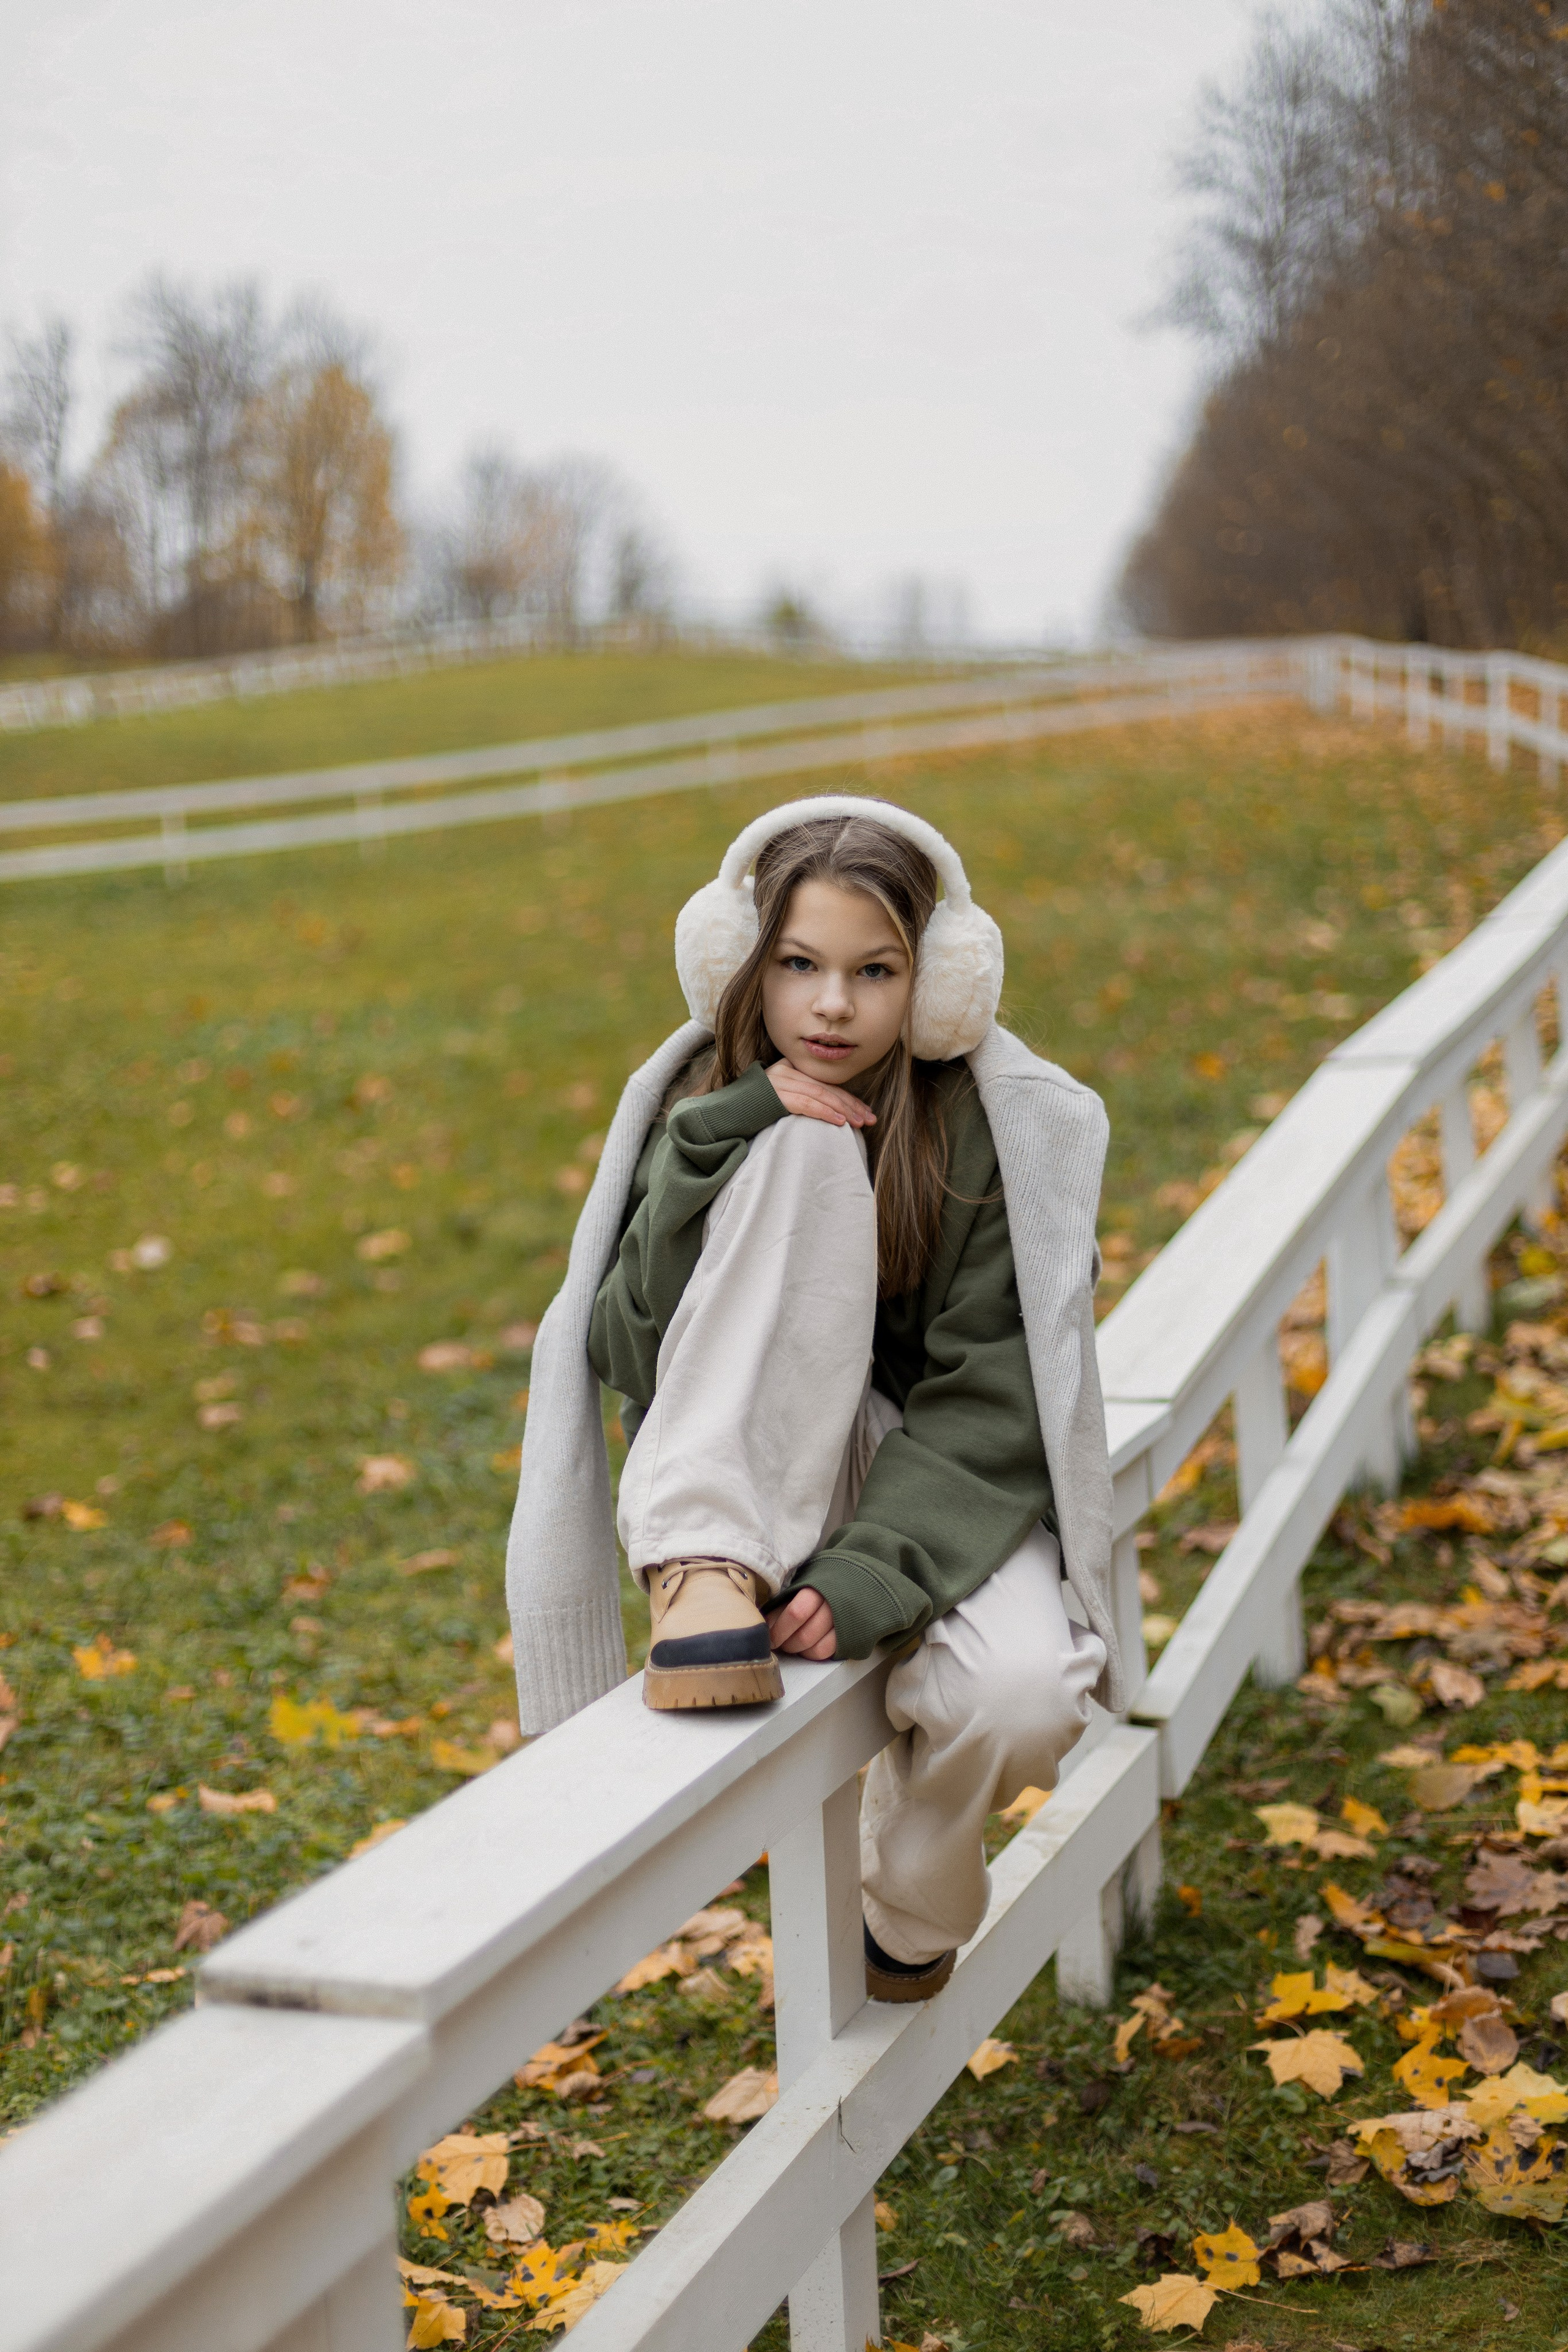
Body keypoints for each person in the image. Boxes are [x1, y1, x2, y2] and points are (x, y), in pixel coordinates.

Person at [508, 795, 1124, 2002]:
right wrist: (715, 1142)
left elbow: (988, 1403)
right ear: (742, 965)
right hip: (744, 1460)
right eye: (797, 965)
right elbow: (632, 1353)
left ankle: (908, 1904)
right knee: (799, 1146)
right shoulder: (704, 1102)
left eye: (872, 970)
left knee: (1020, 1695)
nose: (830, 1006)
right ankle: (699, 1565)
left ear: (936, 981)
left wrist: (870, 1572)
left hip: (925, 1479)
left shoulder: (980, 1127)